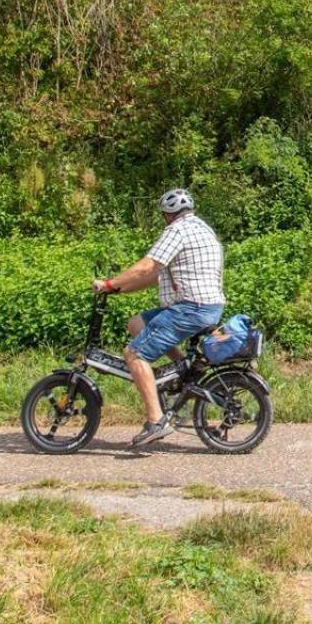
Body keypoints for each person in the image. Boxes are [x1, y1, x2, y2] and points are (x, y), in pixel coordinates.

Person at [92, 188, 225, 447]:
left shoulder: (176, 231)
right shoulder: (202, 228)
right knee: (136, 323)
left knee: (134, 354)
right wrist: (120, 287)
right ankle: (180, 369)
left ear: (167, 214)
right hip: (204, 307)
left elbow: (148, 266)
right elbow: (154, 277)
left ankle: (156, 421)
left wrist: (108, 283)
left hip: (191, 308)